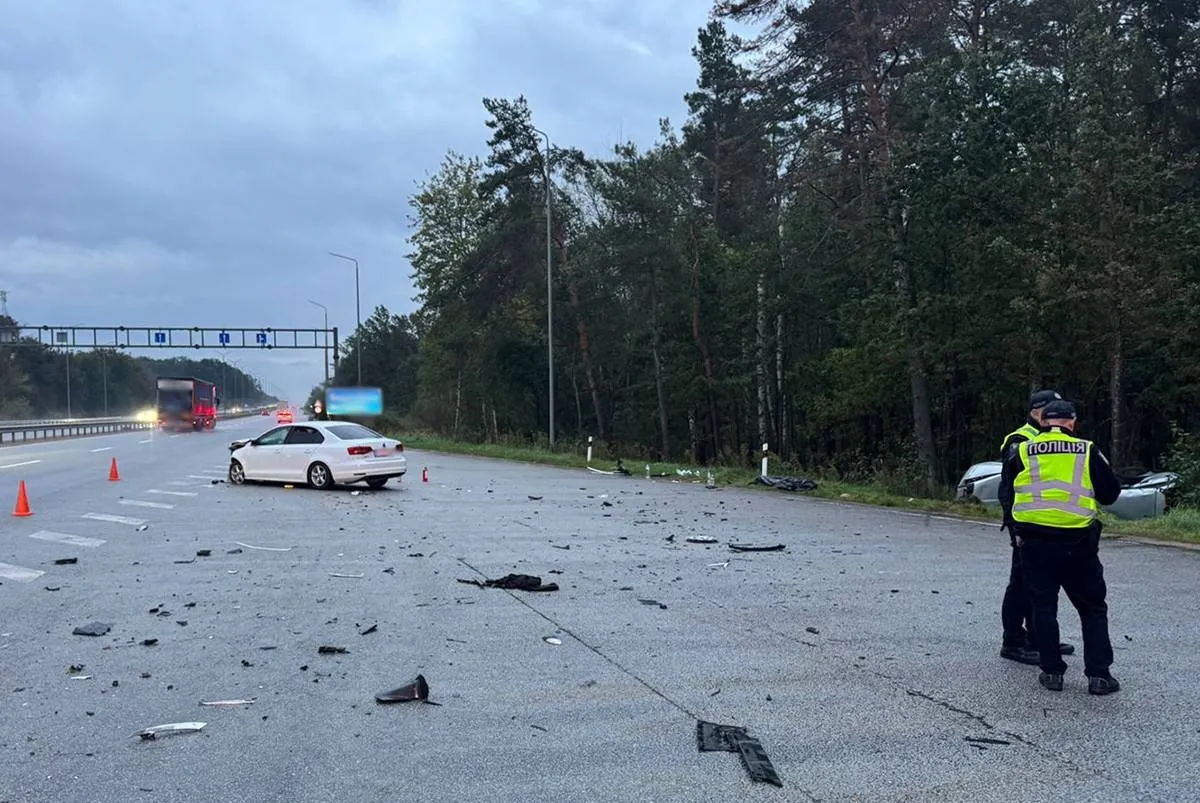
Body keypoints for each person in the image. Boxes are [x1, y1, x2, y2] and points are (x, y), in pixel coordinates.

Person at [997, 400, 1122, 694]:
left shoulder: (1023, 450)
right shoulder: (1087, 450)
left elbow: (1008, 493)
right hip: (1078, 541)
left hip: (1035, 542)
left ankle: (1052, 672)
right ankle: (1099, 676)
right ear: (1072, 422)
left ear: (1042, 422)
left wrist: (1016, 531)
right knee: (1092, 608)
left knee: (1043, 606)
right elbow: (1110, 494)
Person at [998, 390, 1075, 665]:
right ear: (1035, 412)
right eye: (1050, 409)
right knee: (1020, 583)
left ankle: (1039, 637)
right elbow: (1008, 487)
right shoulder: (1020, 439)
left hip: (1047, 523)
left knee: (1042, 584)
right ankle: (1012, 641)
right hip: (1025, 522)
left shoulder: (1051, 437)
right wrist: (1014, 525)